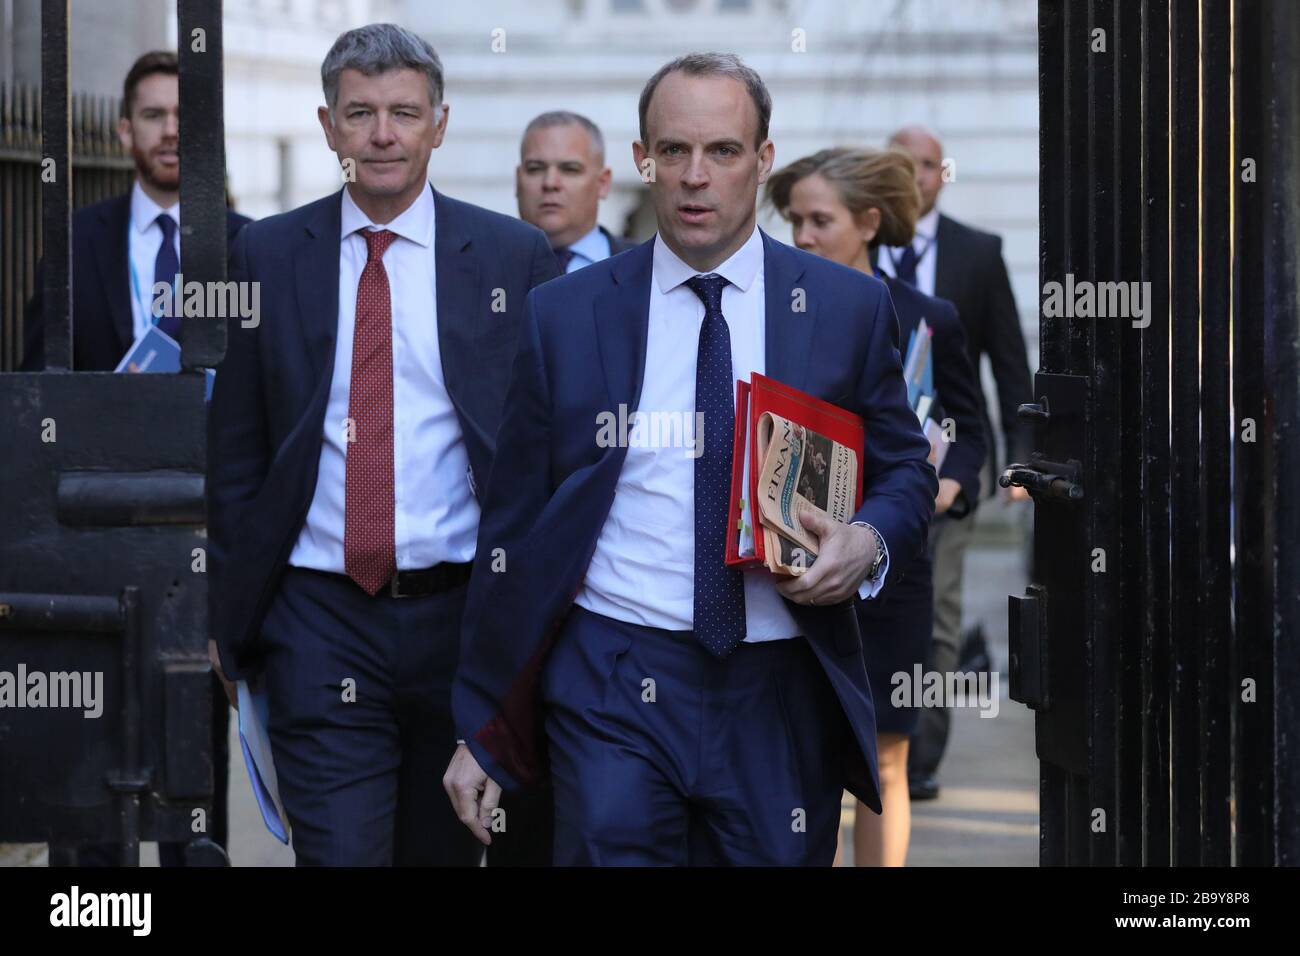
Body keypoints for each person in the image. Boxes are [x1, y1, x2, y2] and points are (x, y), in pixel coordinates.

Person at [444, 52, 936, 867]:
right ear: (642, 162)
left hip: (780, 684)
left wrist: (869, 543)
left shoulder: (845, 308)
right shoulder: (565, 315)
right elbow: (514, 530)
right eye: (673, 152)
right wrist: (485, 724)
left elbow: (906, 470)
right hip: (613, 679)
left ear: (764, 160)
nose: (695, 177)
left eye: (723, 152)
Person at [206, 23, 560, 866]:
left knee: (440, 854)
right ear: (328, 126)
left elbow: (543, 451)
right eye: (359, 113)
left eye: (404, 113)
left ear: (439, 124)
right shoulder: (266, 253)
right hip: (319, 618)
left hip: (461, 619)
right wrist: (228, 617)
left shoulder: (513, 257)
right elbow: (239, 447)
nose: (382, 135)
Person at [22, 49, 249, 868]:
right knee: (89, 776)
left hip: (207, 539)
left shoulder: (250, 248)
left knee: (196, 772)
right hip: (95, 540)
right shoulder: (74, 240)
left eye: (188, 118)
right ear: (124, 130)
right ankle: (98, 913)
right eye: (154, 114)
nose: (171, 131)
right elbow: (38, 388)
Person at [766, 146, 986, 865]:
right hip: (791, 561)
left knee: (885, 763)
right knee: (801, 762)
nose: (801, 235)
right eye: (794, 219)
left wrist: (948, 485)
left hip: (893, 565)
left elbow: (969, 428)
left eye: (818, 220)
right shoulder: (776, 306)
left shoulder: (928, 317)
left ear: (867, 221)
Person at [881, 125, 1035, 800]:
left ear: (943, 174)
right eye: (899, 166)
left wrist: (1023, 460)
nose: (913, 177)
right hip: (873, 469)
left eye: (924, 166)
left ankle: (918, 756)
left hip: (952, 471)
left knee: (940, 612)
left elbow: (1008, 363)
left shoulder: (978, 252)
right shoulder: (859, 251)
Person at [516, 110, 638, 272]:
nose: (550, 183)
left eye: (570, 169)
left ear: (603, 183)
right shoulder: (482, 267)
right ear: (518, 181)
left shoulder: (647, 268)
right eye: (535, 169)